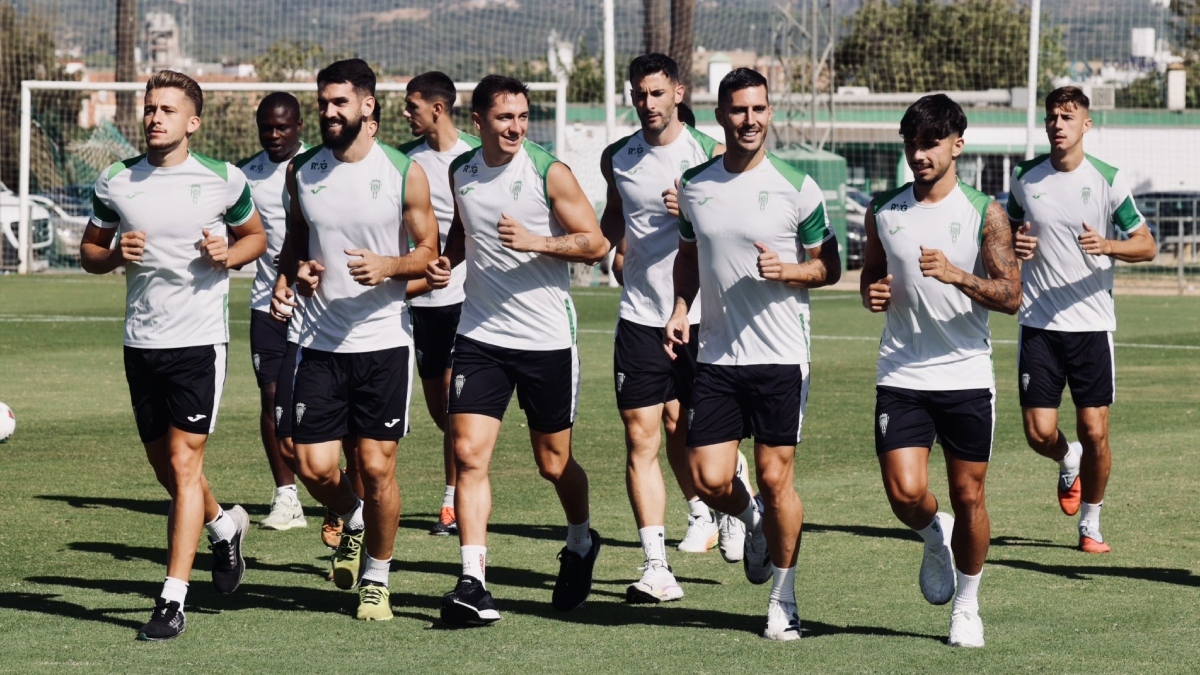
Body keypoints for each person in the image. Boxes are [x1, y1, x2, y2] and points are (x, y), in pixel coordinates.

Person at [79, 70, 266, 641]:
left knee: (186, 466)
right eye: (149, 107)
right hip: (141, 342)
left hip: (198, 343)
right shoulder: (115, 180)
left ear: (193, 122)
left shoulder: (222, 180)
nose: (154, 117)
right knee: (167, 469)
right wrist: (114, 257)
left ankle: (172, 598)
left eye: (166, 109)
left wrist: (228, 254)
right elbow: (90, 250)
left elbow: (256, 238)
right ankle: (222, 528)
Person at [426, 74, 611, 626]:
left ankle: (581, 541)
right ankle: (473, 582)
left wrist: (537, 241)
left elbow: (596, 243)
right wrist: (446, 261)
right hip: (480, 334)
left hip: (546, 339)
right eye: (505, 118)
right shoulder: (462, 171)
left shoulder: (548, 171)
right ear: (478, 121)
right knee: (467, 455)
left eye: (523, 117)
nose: (516, 127)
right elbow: (465, 232)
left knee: (552, 463)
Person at [666, 68, 840, 641]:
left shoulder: (798, 186)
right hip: (717, 355)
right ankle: (751, 520)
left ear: (771, 113)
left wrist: (790, 272)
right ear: (720, 115)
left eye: (759, 109)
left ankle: (783, 600)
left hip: (782, 358)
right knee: (709, 478)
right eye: (739, 110)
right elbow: (688, 255)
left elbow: (830, 266)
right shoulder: (695, 184)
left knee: (774, 476)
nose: (750, 120)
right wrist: (679, 307)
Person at [860, 94, 1021, 648]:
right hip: (902, 372)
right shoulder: (883, 209)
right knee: (906, 494)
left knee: (969, 496)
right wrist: (873, 293)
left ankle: (967, 607)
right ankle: (935, 536)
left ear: (957, 144)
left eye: (930, 143)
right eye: (911, 143)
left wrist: (957, 275)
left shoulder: (987, 211)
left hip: (966, 374)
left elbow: (1011, 296)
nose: (919, 154)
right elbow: (871, 277)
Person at [281, 58, 439, 621]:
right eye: (323, 103)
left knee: (376, 469)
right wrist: (293, 274)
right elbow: (296, 241)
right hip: (319, 341)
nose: (328, 112)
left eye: (339, 102)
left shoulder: (403, 171)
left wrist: (389, 265)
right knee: (313, 464)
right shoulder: (302, 171)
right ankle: (353, 518)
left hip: (383, 343)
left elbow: (429, 251)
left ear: (367, 105)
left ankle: (377, 576)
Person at [599, 53, 742, 604]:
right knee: (642, 436)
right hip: (640, 315)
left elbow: (732, 228)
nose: (648, 104)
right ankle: (656, 566)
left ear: (679, 93)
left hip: (706, 317)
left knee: (694, 435)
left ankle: (731, 503)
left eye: (657, 93)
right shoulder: (619, 156)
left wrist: (694, 208)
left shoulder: (710, 153)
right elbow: (615, 218)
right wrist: (600, 246)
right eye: (640, 94)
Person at [1007, 86, 1155, 554]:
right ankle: (1065, 457)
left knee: (1096, 431)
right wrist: (1014, 245)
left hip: (1091, 326)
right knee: (1039, 433)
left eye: (1068, 116)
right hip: (1039, 324)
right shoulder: (1024, 178)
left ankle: (1091, 522)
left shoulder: (1107, 179)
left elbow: (1146, 244)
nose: (1058, 124)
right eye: (1052, 116)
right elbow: (1003, 236)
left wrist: (1108, 246)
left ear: (1086, 125)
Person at [397, 71, 481, 537]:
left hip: (471, 297)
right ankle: (458, 486)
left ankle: (452, 501)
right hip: (424, 300)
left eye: (412, 105)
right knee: (438, 406)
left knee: (455, 401)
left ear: (437, 108)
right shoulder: (405, 163)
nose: (406, 113)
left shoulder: (476, 154)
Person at [237, 92, 309, 531]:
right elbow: (239, 237)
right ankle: (287, 498)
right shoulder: (246, 175)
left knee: (317, 405)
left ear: (300, 126)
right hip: (267, 303)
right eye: (267, 127)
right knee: (270, 398)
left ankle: (345, 492)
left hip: (317, 307)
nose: (275, 134)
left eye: (283, 127)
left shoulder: (320, 167)